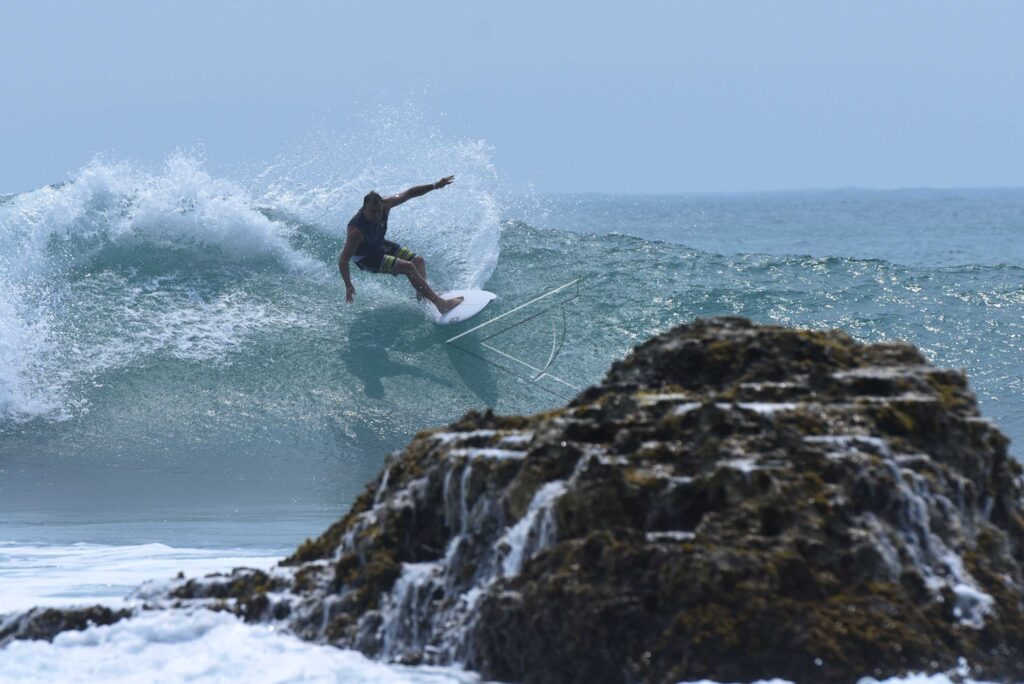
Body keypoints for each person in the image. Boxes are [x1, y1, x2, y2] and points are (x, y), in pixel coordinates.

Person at [338, 176, 463, 315]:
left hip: (378, 244)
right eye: (372, 212)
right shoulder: (356, 231)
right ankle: (441, 304)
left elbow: (409, 193)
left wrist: (434, 185)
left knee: (418, 261)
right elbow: (343, 259)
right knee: (408, 267)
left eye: (378, 210)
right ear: (364, 209)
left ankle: (423, 296)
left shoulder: (386, 205)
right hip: (366, 257)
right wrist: (348, 285)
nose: (377, 214)